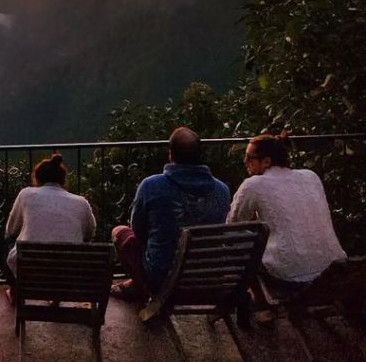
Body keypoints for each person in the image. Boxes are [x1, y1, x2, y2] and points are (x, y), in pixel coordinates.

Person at [111, 127, 230, 301]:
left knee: (120, 232)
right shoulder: (222, 190)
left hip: (162, 276)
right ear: (200, 154)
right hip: (207, 274)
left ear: (171, 154)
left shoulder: (152, 186)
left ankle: (141, 288)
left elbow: (137, 229)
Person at [228, 133, 347, 292]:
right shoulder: (311, 176)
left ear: (266, 161)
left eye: (249, 157)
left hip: (289, 276)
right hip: (332, 267)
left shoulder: (254, 184)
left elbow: (232, 227)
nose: (245, 162)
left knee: (239, 246)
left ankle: (255, 308)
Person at [4, 153, 96, 301]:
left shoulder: (26, 194)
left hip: (31, 272)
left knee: (9, 238)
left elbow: (11, 229)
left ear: (37, 177)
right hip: (69, 275)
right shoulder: (81, 203)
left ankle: (15, 290)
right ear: (63, 179)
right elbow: (89, 235)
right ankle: (56, 296)